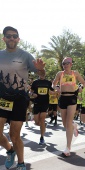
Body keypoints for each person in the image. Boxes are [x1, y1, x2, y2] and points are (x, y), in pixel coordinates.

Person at [0, 26, 45, 170]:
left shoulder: (25, 56)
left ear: (18, 39)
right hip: (3, 98)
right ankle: (10, 150)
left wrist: (40, 69)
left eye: (14, 36)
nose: (11, 38)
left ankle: (21, 163)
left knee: (14, 134)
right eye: (8, 36)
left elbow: (41, 75)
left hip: (20, 98)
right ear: (4, 38)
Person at [53, 57, 85, 157]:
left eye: (67, 63)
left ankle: (68, 148)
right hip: (62, 98)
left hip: (72, 98)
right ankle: (74, 125)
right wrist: (56, 88)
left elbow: (83, 83)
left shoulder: (75, 73)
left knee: (67, 122)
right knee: (65, 124)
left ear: (71, 64)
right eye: (63, 63)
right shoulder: (60, 74)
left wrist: (80, 88)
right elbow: (53, 84)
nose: (65, 65)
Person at [30, 74, 54, 145]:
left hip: (45, 103)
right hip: (37, 103)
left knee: (42, 119)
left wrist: (54, 92)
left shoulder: (48, 83)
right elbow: (30, 91)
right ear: (39, 73)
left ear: (45, 74)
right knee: (36, 122)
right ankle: (43, 125)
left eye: (43, 73)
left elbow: (53, 90)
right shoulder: (35, 82)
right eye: (41, 72)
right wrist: (32, 94)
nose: (42, 74)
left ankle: (42, 137)